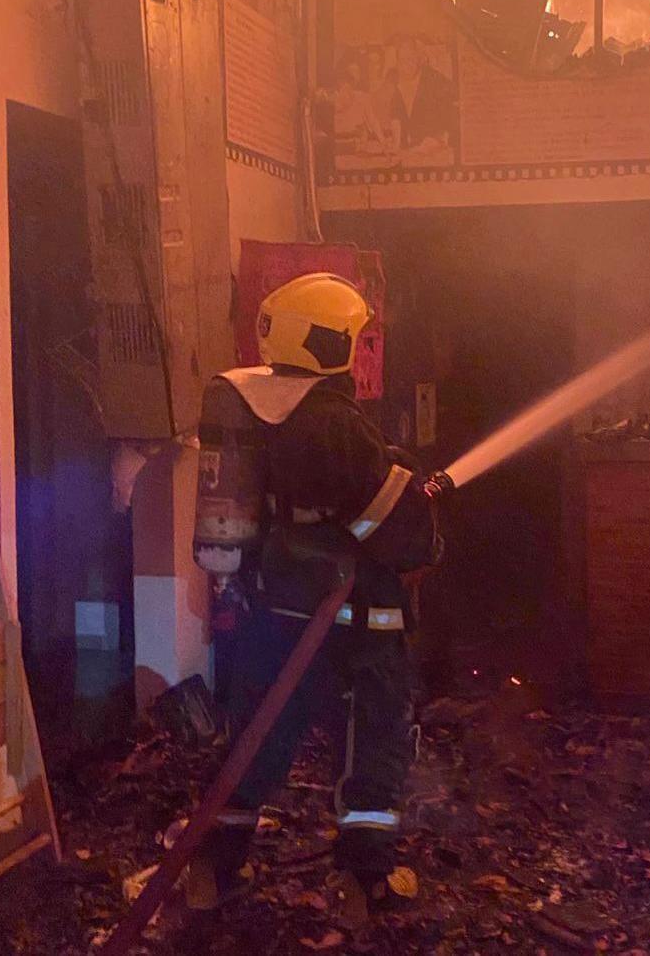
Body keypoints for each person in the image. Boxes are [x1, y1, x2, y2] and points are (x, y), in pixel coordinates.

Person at [188, 273, 445, 917]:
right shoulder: (334, 423)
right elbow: (399, 537)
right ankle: (369, 882)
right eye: (357, 341)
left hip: (274, 608)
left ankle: (208, 874)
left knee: (259, 736)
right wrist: (419, 499)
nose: (361, 356)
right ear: (331, 341)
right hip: (356, 621)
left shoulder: (257, 404)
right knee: (373, 742)